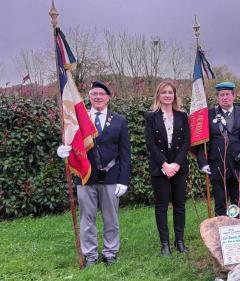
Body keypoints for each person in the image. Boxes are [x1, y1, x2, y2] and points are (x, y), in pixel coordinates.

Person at [57, 81, 131, 266]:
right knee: (87, 218)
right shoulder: (79, 118)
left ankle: (110, 252)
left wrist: (123, 180)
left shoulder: (119, 121)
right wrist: (63, 149)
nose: (98, 97)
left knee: (111, 218)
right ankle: (90, 254)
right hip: (85, 176)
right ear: (89, 97)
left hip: (112, 176)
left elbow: (125, 153)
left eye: (102, 94)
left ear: (108, 97)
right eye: (94, 94)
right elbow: (72, 141)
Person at [197, 82, 240, 218]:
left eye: (227, 94)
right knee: (220, 203)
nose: (224, 97)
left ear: (233, 96)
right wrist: (203, 162)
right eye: (221, 95)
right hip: (218, 166)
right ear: (218, 97)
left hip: (239, 165)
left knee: (238, 202)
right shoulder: (208, 115)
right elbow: (201, 142)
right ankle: (221, 233)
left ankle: (237, 232)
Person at [144, 80, 190, 256]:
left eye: (170, 92)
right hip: (159, 167)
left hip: (179, 166)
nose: (167, 95)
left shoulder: (182, 116)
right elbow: (150, 143)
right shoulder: (151, 116)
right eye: (164, 92)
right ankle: (165, 244)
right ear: (158, 95)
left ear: (174, 95)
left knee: (179, 205)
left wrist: (176, 164)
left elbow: (186, 141)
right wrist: (164, 164)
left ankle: (179, 241)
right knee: (161, 206)